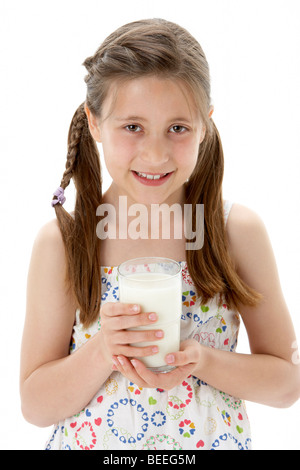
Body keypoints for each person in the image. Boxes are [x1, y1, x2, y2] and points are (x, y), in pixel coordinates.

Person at [20, 18, 299, 451]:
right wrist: (101, 351)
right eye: (132, 127)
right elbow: (35, 406)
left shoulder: (232, 233)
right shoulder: (65, 242)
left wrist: (200, 360)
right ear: (95, 124)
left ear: (205, 124)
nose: (155, 153)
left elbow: (286, 382)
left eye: (178, 128)